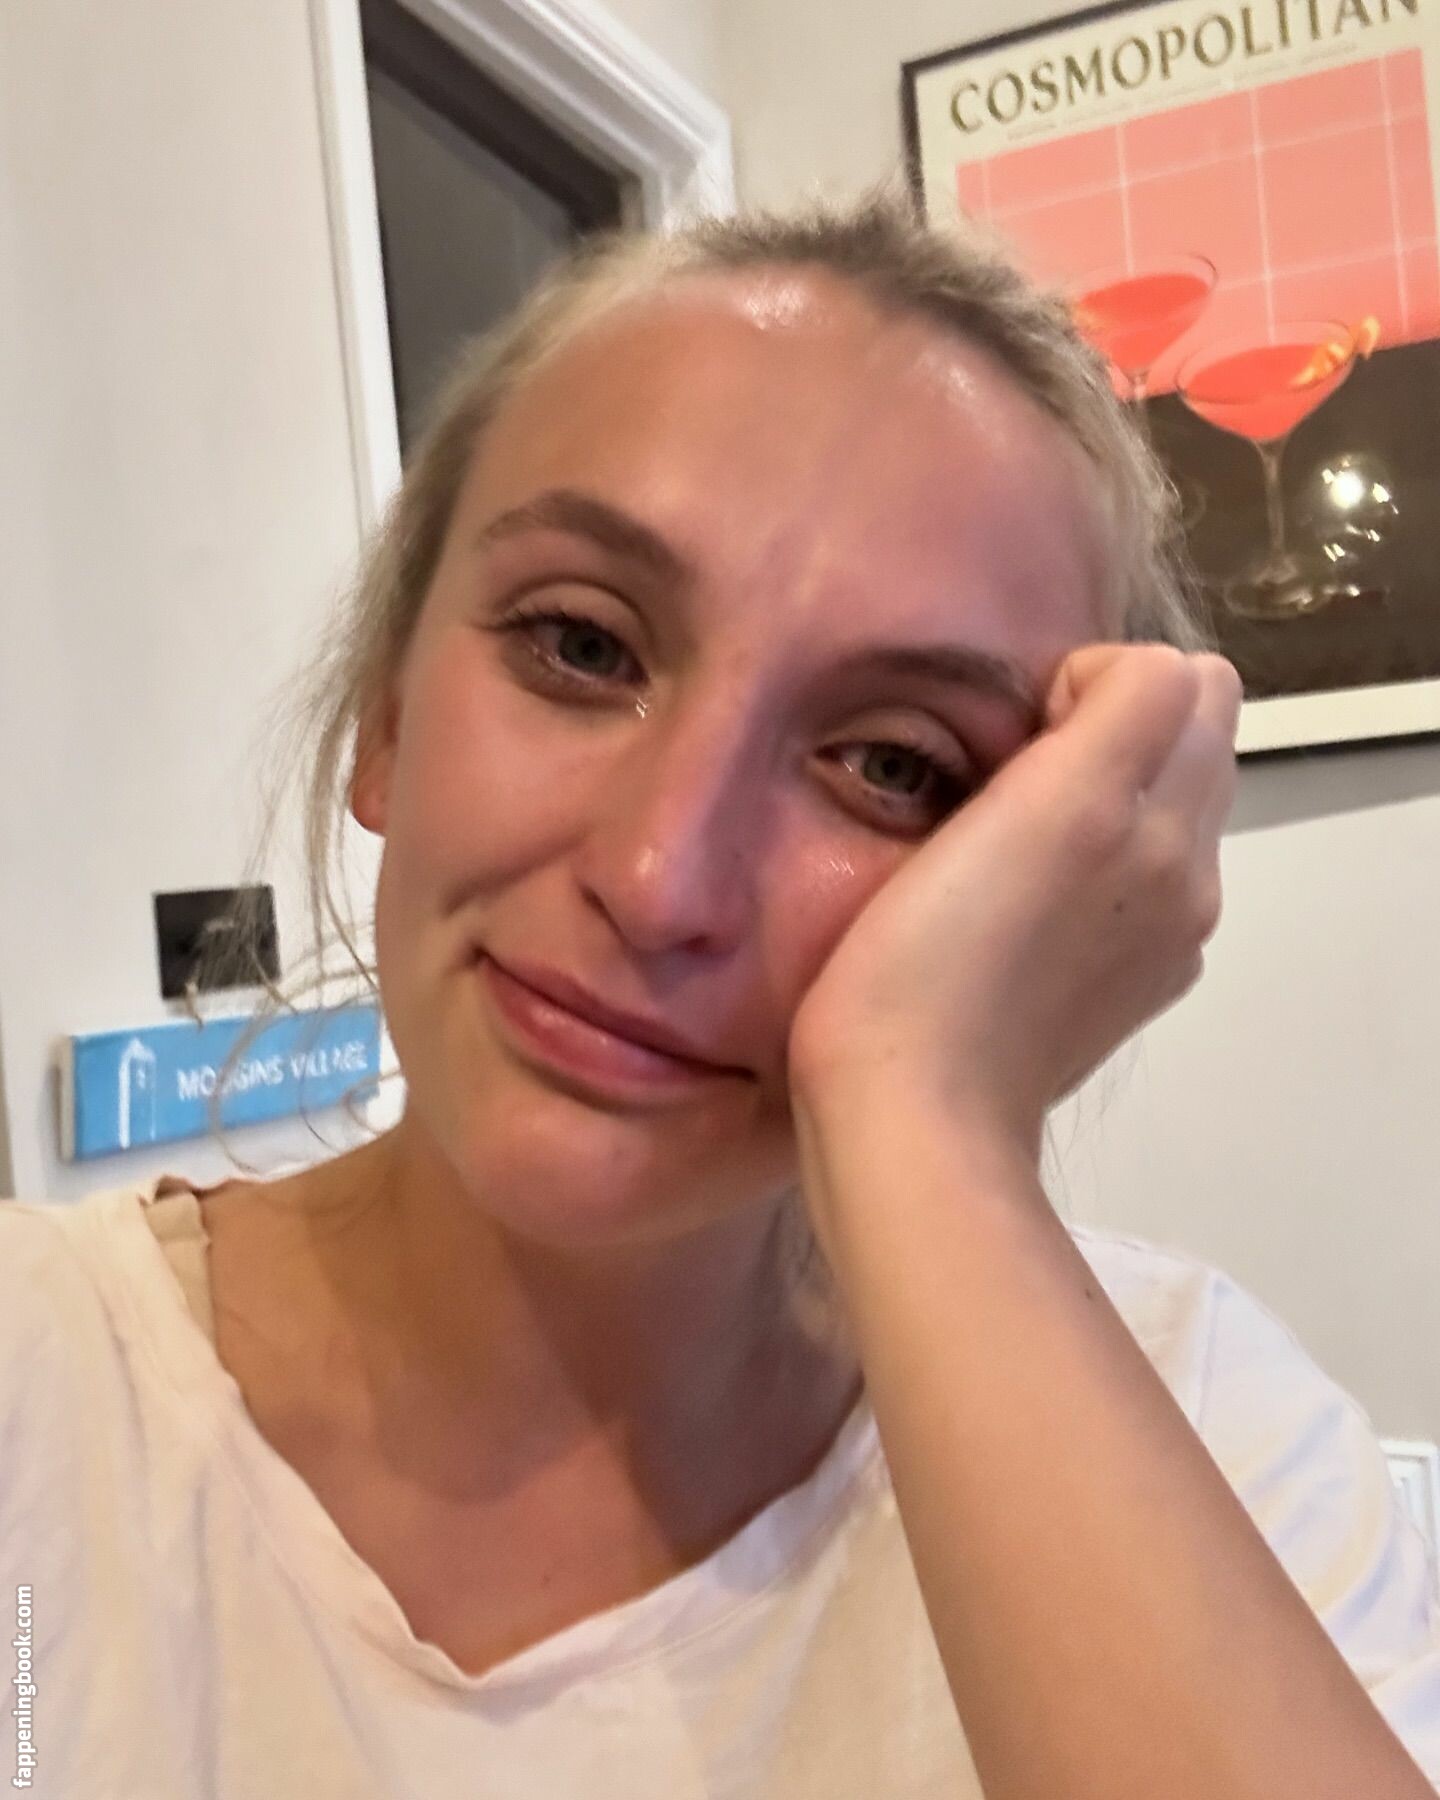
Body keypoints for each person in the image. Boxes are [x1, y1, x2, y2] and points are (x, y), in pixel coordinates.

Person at [2, 193, 1437, 1800]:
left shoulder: (1214, 1433)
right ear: (389, 713)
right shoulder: (37, 1384)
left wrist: (930, 1122)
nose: (661, 877)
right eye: (580, 646)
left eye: (891, 765)